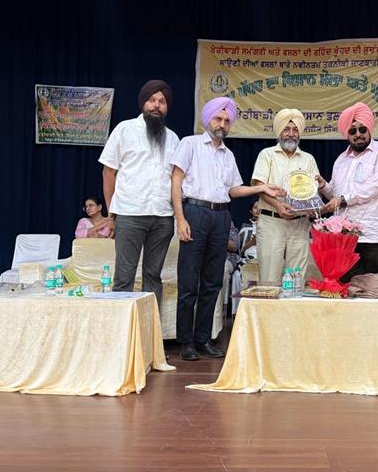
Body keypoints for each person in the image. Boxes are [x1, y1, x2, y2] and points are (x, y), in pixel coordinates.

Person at [171, 97, 285, 361]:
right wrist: (180, 218)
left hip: (221, 216)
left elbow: (233, 190)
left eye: (226, 120)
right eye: (217, 119)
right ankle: (186, 342)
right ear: (208, 119)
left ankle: (203, 340)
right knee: (189, 281)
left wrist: (261, 188)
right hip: (194, 212)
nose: (222, 124)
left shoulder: (228, 154)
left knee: (213, 282)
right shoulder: (189, 143)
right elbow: (176, 181)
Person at [98, 80, 180, 305]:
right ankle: (122, 327)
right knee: (124, 277)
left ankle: (150, 326)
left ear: (167, 107)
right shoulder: (124, 130)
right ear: (143, 103)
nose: (156, 105)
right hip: (129, 213)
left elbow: (177, 180)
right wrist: (111, 214)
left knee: (153, 277)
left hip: (163, 217)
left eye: (162, 101)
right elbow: (108, 173)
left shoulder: (173, 138)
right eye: (152, 100)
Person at [318, 102, 378, 284]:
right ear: (347, 134)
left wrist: (342, 199)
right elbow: (336, 195)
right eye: (352, 131)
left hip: (376, 236)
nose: (358, 134)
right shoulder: (341, 160)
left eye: (362, 129)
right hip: (347, 237)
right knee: (348, 290)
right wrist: (323, 186)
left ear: (369, 129)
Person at [251, 108, 319, 284]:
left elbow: (313, 191)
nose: (291, 134)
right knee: (269, 281)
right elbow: (258, 186)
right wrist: (278, 205)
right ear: (279, 131)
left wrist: (312, 208)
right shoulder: (267, 155)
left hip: (299, 225)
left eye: (295, 129)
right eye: (286, 129)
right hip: (271, 223)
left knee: (296, 281)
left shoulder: (308, 159)